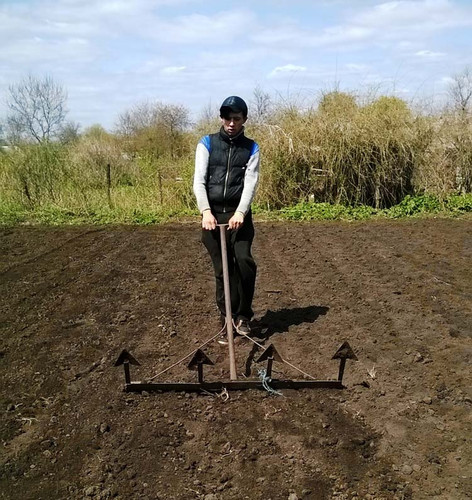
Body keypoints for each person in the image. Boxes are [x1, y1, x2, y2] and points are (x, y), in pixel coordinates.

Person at [193, 96, 260, 336]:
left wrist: (240, 212)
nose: (232, 123)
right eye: (228, 118)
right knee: (223, 271)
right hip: (212, 215)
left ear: (244, 119)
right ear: (222, 118)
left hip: (238, 215)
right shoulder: (207, 143)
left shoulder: (251, 147)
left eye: (237, 119)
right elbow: (199, 181)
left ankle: (243, 316)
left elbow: (250, 183)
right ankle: (226, 318)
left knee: (244, 262)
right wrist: (206, 211)